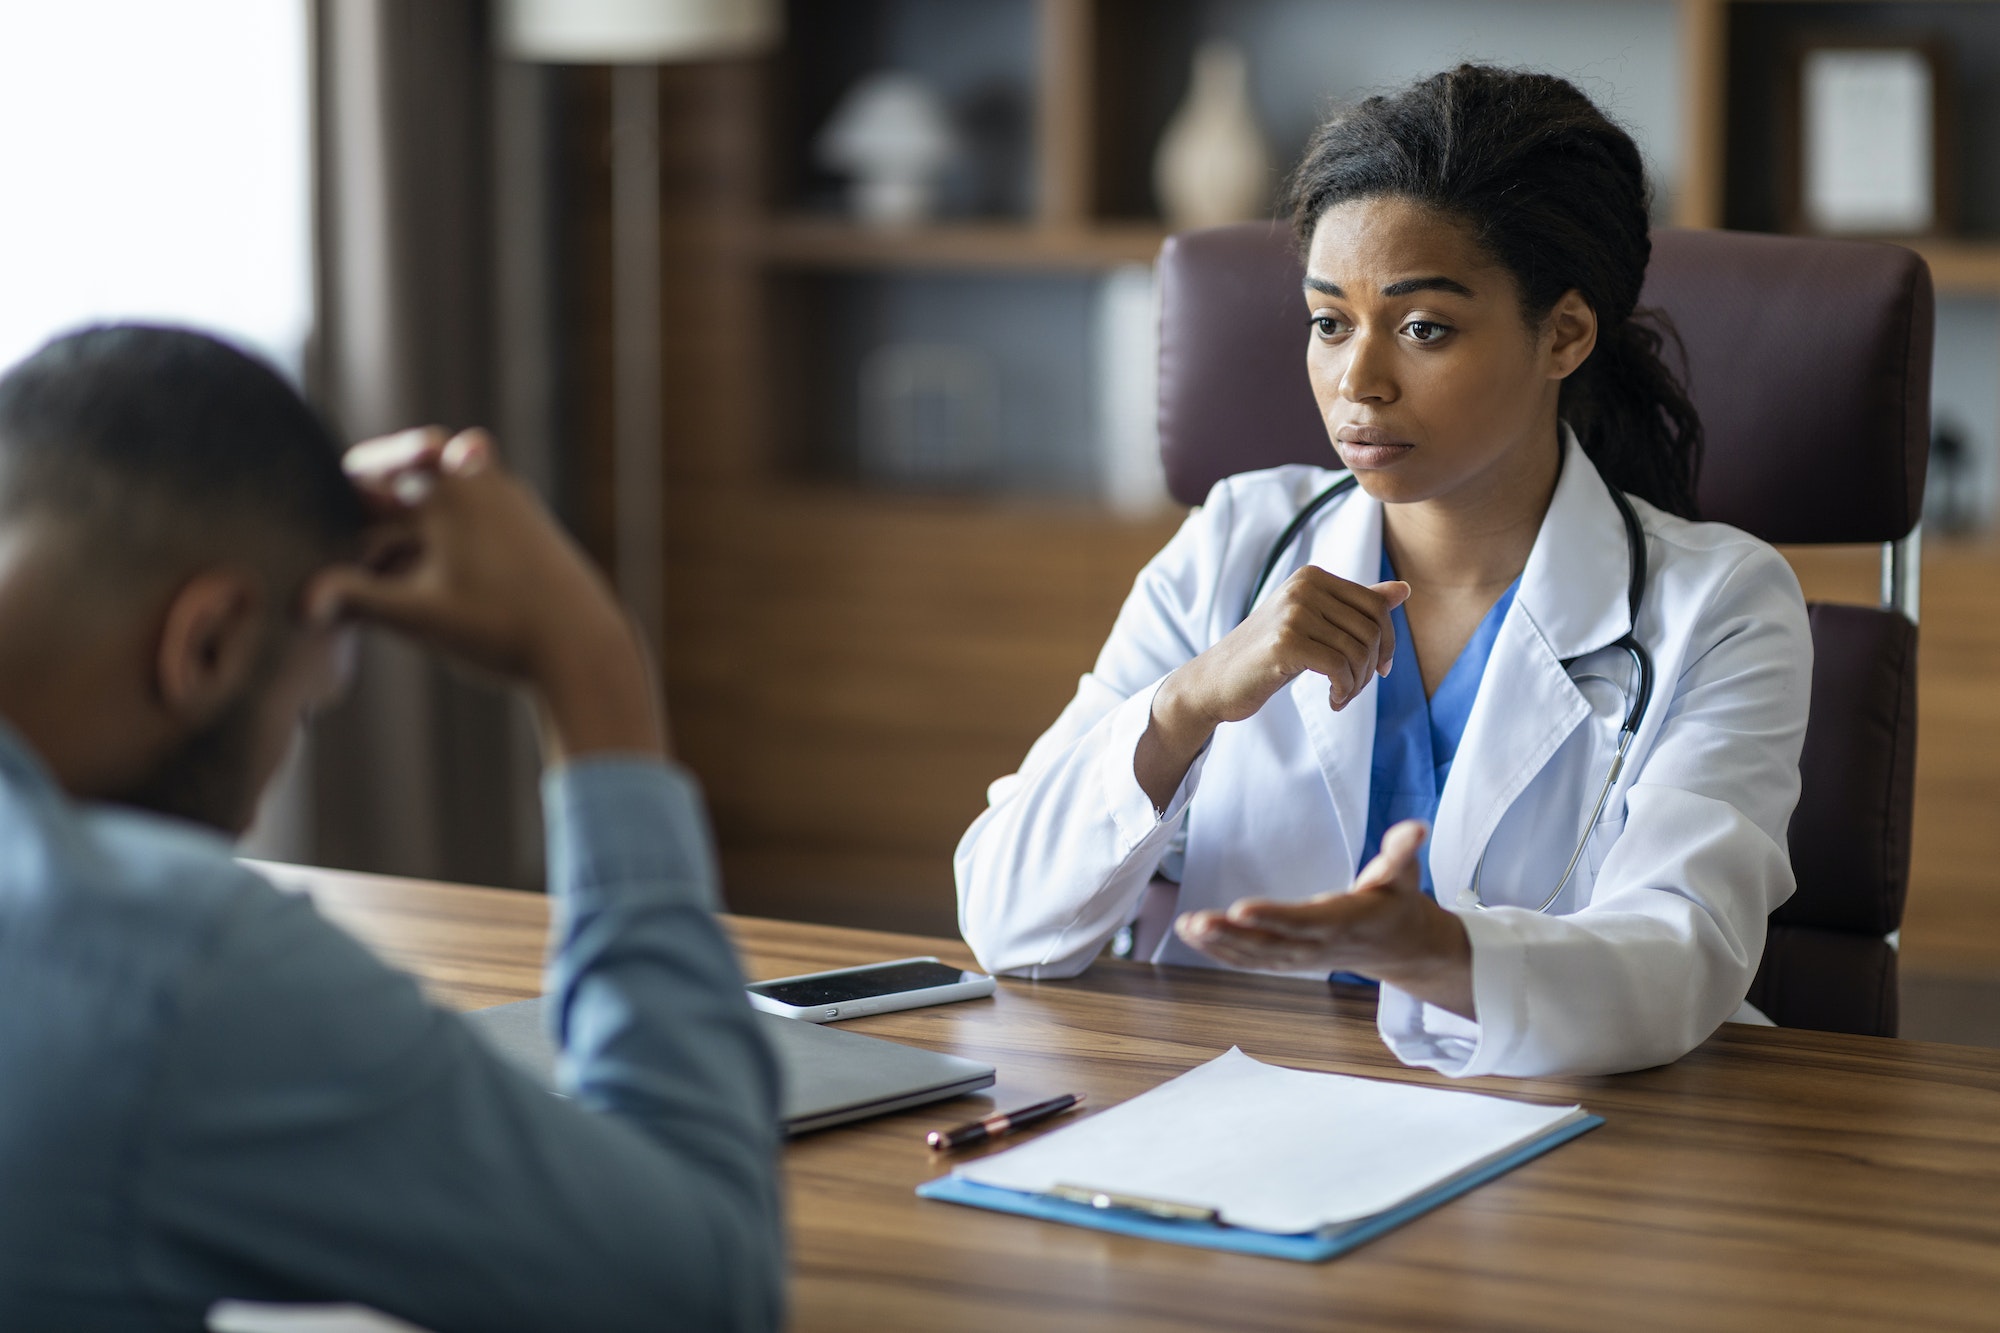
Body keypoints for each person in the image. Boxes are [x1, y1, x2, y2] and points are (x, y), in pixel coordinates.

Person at [955, 65, 1812, 1080]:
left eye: (1421, 328)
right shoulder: (1236, 541)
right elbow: (1003, 918)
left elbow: (1682, 961)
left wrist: (1434, 953)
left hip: (1562, 1145)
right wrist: (1185, 704)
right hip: (1231, 1120)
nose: (1356, 382)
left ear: (1564, 334)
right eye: (1328, 323)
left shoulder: (1718, 604)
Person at [0, 326, 783, 1330]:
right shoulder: (176, 961)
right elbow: (704, 1290)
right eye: (304, 705)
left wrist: (282, 527)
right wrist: (591, 663)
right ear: (208, 643)